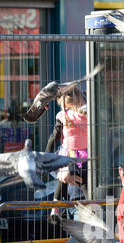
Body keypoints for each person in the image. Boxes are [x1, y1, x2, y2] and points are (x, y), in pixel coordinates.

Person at [45, 87, 89, 219]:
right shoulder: (91, 111)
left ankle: (56, 206)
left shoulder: (63, 116)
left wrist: (47, 154)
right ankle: (91, 204)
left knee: (66, 180)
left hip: (69, 154)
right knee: (84, 180)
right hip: (83, 156)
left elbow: (53, 138)